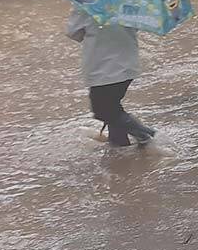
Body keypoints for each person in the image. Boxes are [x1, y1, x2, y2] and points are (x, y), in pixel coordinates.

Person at [65, 9, 156, 147]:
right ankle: (118, 144)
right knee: (113, 107)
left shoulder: (87, 6)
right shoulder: (130, 4)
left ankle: (145, 134)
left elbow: (73, 33)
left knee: (102, 110)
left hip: (102, 69)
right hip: (127, 65)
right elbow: (137, 26)